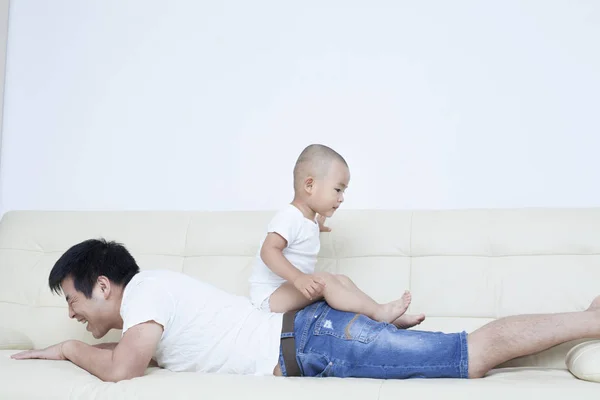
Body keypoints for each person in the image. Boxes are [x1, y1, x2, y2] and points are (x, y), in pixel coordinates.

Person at [11, 239, 600, 382]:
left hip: (321, 342)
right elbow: (130, 352)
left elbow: (123, 368)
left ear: (106, 286)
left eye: (72, 299)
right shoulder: (149, 304)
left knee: (469, 355)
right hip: (315, 336)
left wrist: (67, 351)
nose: (71, 315)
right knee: (468, 353)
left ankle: (592, 320)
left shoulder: (144, 295)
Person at [249, 144, 424, 328]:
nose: (341, 198)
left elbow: (300, 238)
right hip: (270, 297)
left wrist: (317, 227)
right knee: (325, 281)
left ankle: (382, 314)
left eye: (344, 191)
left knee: (341, 280)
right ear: (310, 185)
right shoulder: (289, 216)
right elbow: (268, 251)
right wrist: (298, 278)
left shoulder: (307, 220)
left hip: (285, 291)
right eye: (337, 189)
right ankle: (379, 314)